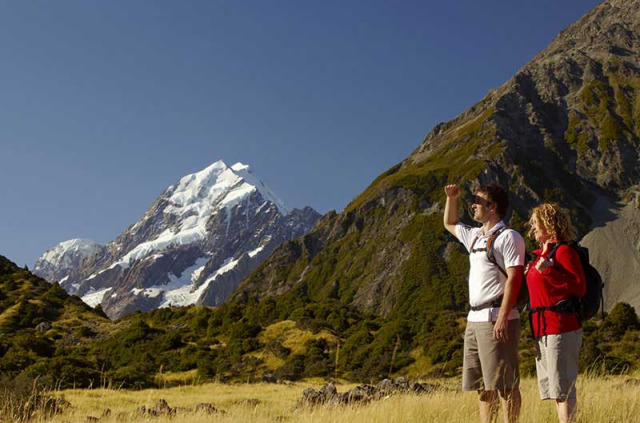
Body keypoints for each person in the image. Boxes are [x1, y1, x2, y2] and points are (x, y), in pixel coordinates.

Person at [444, 182, 525, 423]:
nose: (473, 204)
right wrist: (452, 198)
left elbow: (515, 278)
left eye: (478, 201)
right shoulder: (477, 236)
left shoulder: (509, 236)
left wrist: (503, 317)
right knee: (482, 385)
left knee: (505, 384)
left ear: (493, 207)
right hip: (475, 319)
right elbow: (449, 223)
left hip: (497, 317)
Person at [526, 203, 586, 423]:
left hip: (561, 327)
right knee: (555, 390)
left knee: (563, 389)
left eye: (535, 223)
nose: (532, 228)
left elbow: (579, 287)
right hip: (542, 329)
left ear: (549, 224)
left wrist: (549, 271)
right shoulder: (538, 256)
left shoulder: (564, 252)